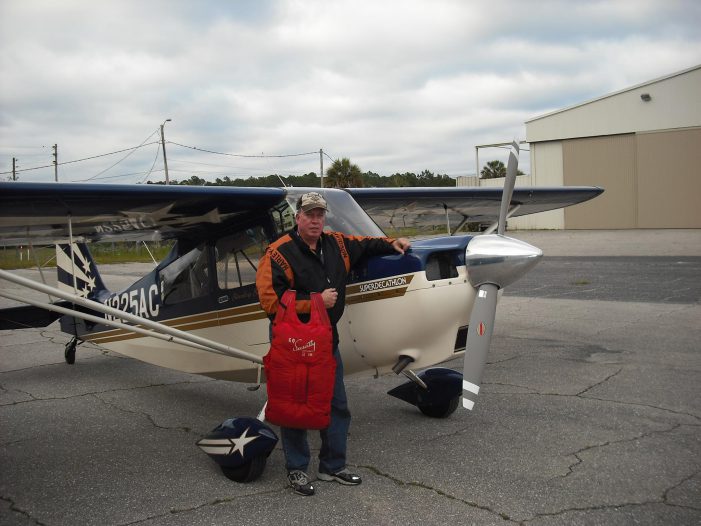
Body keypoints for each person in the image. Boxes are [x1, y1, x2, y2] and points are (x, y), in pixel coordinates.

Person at [256, 191, 411, 496]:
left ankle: (333, 466)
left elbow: (365, 244)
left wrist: (392, 242)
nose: (315, 220)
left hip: (326, 340)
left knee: (337, 404)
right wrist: (316, 302)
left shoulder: (336, 243)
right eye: (309, 215)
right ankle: (298, 470)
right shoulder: (277, 253)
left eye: (320, 215)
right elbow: (269, 302)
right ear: (297, 217)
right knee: (294, 407)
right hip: (293, 343)